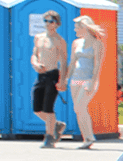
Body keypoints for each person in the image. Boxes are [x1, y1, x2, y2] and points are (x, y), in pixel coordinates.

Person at [65, 14, 105, 149]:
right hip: (75, 79)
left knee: (80, 106)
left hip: (88, 80)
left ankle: (89, 138)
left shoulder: (97, 43)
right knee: (78, 109)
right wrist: (65, 78)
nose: (75, 30)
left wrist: (93, 82)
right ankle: (86, 137)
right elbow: (72, 63)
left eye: (77, 27)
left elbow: (97, 65)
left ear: (84, 27)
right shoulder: (76, 43)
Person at [30, 10, 68, 147]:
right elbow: (34, 54)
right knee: (37, 109)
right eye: (45, 21)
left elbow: (64, 62)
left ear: (57, 23)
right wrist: (35, 64)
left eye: (50, 21)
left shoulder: (59, 41)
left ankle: (50, 137)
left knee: (48, 108)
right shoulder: (38, 37)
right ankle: (55, 124)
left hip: (52, 75)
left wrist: (62, 80)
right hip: (41, 75)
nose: (47, 24)